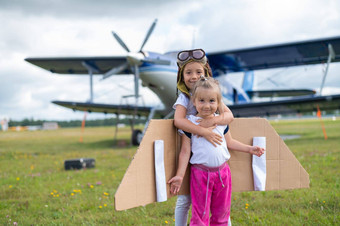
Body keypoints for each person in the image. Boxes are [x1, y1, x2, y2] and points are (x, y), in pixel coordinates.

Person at [169, 77, 265, 225]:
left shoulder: (221, 122)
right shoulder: (190, 124)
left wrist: (250, 149)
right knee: (200, 216)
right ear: (193, 101)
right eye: (202, 100)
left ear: (218, 102)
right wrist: (179, 176)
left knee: (222, 214)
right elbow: (185, 152)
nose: (207, 105)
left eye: (212, 101)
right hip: (201, 175)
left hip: (223, 175)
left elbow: (230, 142)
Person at [170, 49, 234, 226]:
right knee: (185, 200)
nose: (193, 76)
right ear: (181, 76)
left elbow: (229, 116)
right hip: (191, 152)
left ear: (205, 72)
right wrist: (203, 131)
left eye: (198, 71)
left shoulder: (211, 94)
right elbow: (178, 121)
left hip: (212, 159)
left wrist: (214, 120)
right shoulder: (184, 98)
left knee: (221, 204)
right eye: (188, 72)